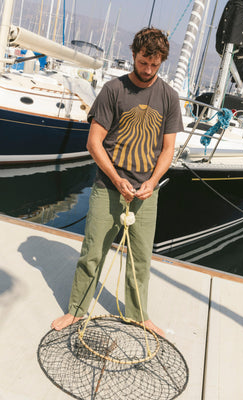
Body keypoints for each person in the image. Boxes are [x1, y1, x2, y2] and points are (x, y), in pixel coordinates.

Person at [51, 27, 183, 337]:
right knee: (93, 252)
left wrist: (152, 182)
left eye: (154, 65)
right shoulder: (113, 90)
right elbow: (94, 143)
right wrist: (116, 178)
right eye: (143, 62)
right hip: (108, 188)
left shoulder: (169, 97)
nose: (148, 70)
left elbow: (168, 150)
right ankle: (76, 310)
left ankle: (138, 315)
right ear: (134, 54)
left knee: (140, 259)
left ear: (162, 61)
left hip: (146, 193)